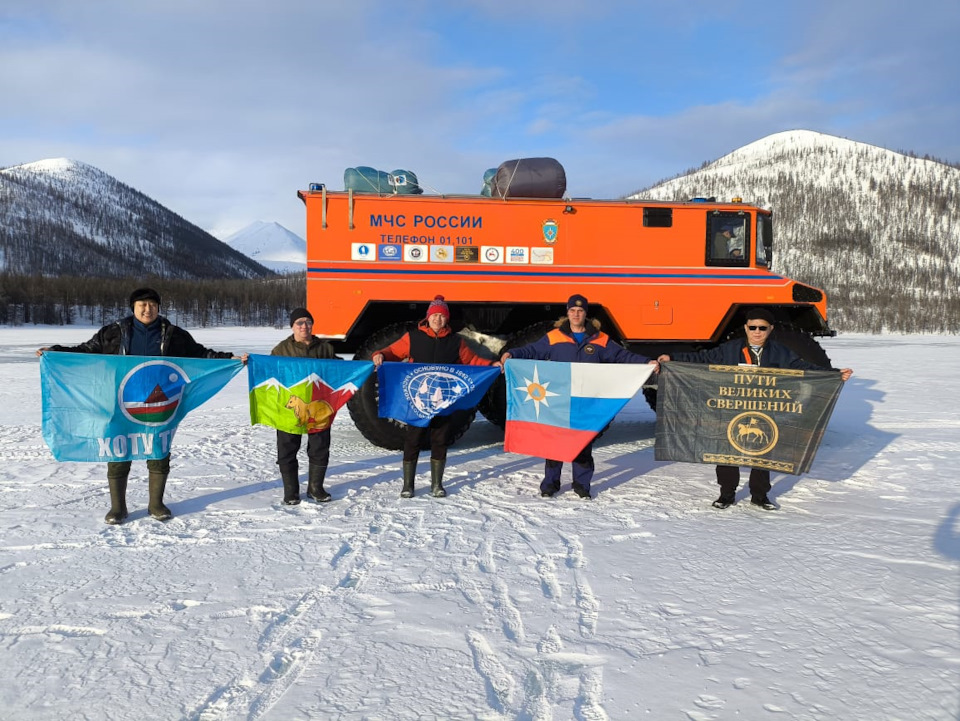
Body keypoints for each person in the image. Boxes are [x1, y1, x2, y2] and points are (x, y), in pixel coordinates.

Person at [37, 287, 246, 524]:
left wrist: (229, 359)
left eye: (152, 305)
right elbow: (87, 351)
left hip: (162, 405)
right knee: (118, 451)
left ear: (158, 307)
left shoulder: (174, 334)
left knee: (158, 451)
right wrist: (55, 352)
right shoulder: (113, 332)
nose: (148, 309)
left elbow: (199, 354)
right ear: (133, 307)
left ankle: (156, 504)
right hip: (120, 403)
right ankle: (118, 508)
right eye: (142, 305)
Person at [657, 308, 853, 511]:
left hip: (764, 410)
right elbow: (702, 358)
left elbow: (803, 368)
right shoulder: (729, 349)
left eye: (762, 328)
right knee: (726, 451)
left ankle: (759, 495)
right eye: (752, 327)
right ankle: (726, 494)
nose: (757, 332)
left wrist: (833, 374)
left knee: (764, 452)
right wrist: (672, 358)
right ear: (746, 328)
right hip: (733, 408)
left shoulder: (780, 351)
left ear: (770, 329)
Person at [499, 293, 660, 499]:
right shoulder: (554, 336)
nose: (576, 314)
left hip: (586, 402)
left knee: (583, 444)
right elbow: (532, 350)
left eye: (580, 310)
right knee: (554, 444)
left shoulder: (600, 339)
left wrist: (646, 362)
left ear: (586, 314)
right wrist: (512, 354)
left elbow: (622, 356)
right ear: (567, 313)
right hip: (559, 400)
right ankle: (550, 485)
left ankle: (582, 485)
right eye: (572, 310)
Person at [372, 295, 500, 498]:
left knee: (440, 441)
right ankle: (408, 485)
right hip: (418, 402)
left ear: (446, 319)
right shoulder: (413, 337)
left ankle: (436, 484)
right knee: (412, 440)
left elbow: (473, 361)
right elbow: (392, 352)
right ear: (428, 317)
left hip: (443, 402)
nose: (438, 319)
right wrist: (380, 354)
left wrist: (491, 365)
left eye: (442, 315)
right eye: (434, 315)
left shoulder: (456, 342)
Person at [272, 307, 339, 505]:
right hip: (289, 409)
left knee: (319, 447)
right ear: (292, 326)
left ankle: (315, 488)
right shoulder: (281, 349)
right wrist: (250, 361)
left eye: (308, 322)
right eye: (299, 323)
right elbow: (270, 371)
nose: (304, 326)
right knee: (287, 448)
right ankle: (291, 491)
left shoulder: (325, 348)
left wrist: (364, 365)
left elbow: (338, 370)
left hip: (317, 409)